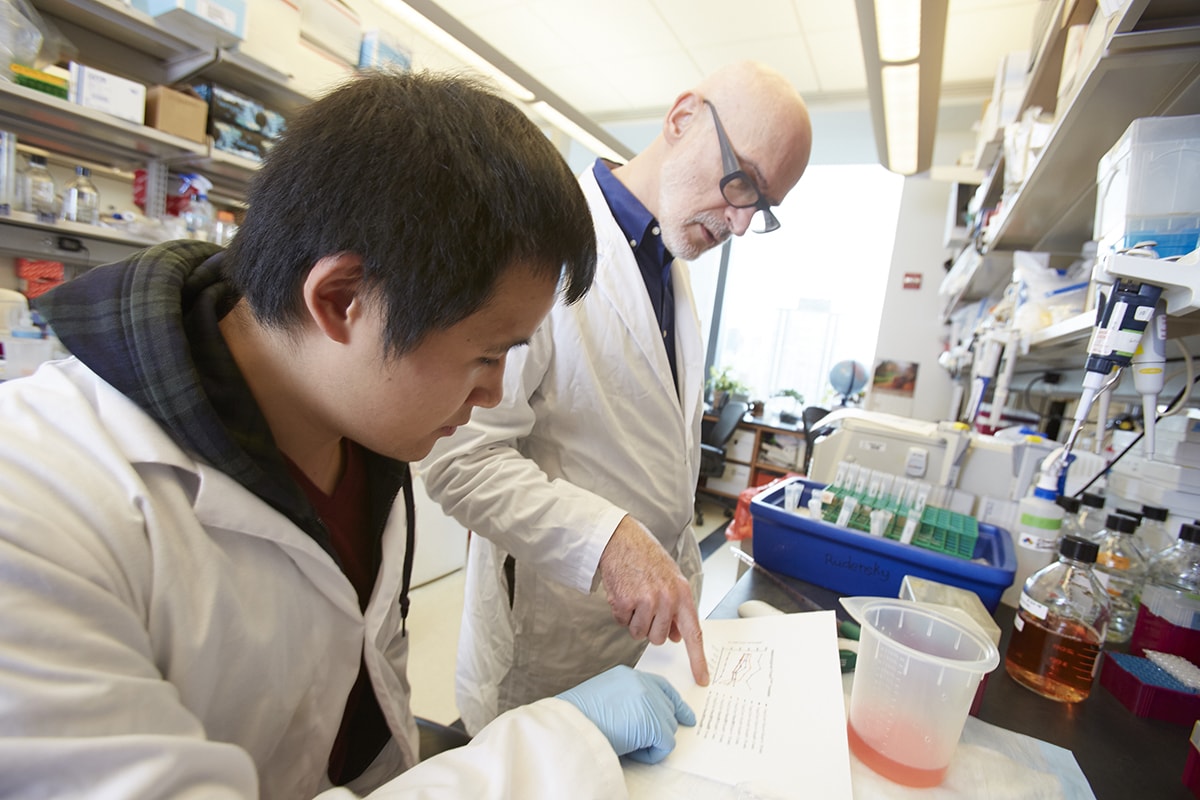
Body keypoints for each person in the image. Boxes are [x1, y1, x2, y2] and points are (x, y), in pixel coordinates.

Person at [0, 70, 695, 799]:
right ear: (341, 299)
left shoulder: (359, 436)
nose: (494, 393)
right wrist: (552, 747)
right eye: (488, 355)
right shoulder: (36, 508)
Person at [420, 60, 813, 734]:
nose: (743, 223)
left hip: (638, 634)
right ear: (682, 118)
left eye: (762, 206)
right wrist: (608, 542)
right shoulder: (538, 247)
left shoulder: (667, 263)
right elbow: (461, 460)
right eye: (742, 182)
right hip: (549, 637)